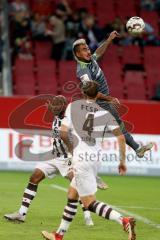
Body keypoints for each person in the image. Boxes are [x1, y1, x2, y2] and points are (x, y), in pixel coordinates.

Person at [41, 81, 136, 240]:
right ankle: (58, 235)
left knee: (88, 203)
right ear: (97, 94)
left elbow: (63, 134)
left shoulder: (73, 106)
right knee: (72, 195)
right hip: (95, 159)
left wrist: (72, 151)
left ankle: (123, 220)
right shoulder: (105, 113)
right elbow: (120, 137)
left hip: (81, 159)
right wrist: (122, 162)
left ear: (83, 93)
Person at [4, 95, 94, 226]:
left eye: (57, 106)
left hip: (67, 158)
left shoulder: (71, 119)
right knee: (34, 177)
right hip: (53, 156)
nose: (53, 108)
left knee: (77, 184)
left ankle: (87, 216)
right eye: (53, 106)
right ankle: (21, 214)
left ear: (64, 107)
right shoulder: (57, 116)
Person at [72, 34, 153, 158]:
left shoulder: (90, 60)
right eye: (84, 50)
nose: (88, 51)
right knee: (115, 128)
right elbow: (91, 92)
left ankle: (137, 149)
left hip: (103, 103)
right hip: (99, 104)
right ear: (77, 54)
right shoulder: (83, 70)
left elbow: (98, 52)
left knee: (116, 127)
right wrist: (110, 98)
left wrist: (109, 40)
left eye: (87, 48)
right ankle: (75, 151)